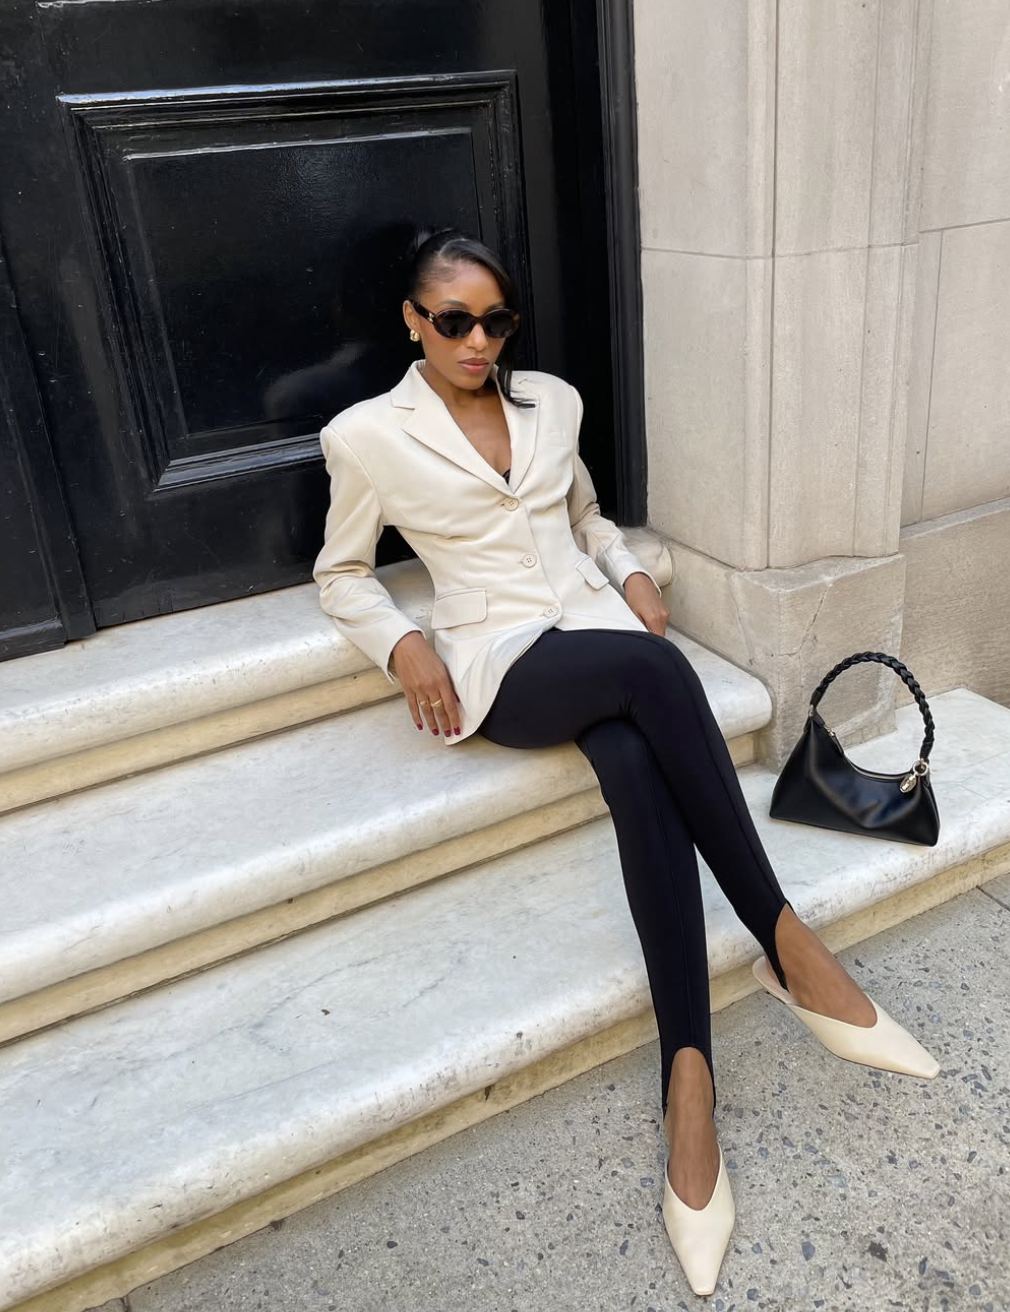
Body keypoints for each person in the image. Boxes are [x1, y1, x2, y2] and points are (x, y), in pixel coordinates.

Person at [312, 228, 940, 1298]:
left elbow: (584, 515)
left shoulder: (550, 402)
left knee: (637, 766)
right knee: (659, 681)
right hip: (502, 664)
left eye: (494, 319)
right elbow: (341, 572)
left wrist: (629, 573)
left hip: (595, 632)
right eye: (453, 319)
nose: (477, 340)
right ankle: (787, 945)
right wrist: (402, 643)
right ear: (413, 323)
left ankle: (684, 1083)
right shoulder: (366, 434)